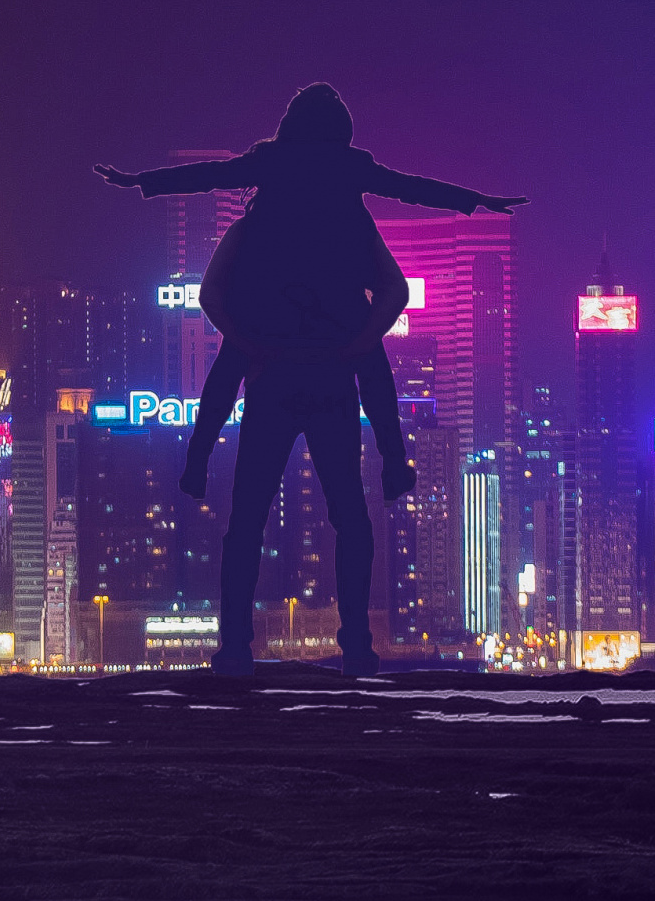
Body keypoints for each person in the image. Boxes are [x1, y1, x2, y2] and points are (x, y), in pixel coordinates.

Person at [95, 83, 527, 676]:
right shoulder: (350, 207)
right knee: (350, 516)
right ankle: (357, 644)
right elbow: (411, 192)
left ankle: (236, 648)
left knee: (245, 519)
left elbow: (209, 181)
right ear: (341, 135)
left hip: (270, 372)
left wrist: (139, 182)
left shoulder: (261, 202)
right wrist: (476, 201)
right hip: (331, 373)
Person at [177, 213, 415, 505]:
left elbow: (210, 294)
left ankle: (198, 457)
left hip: (269, 362)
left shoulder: (252, 227)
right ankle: (393, 461)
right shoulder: (347, 225)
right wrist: (362, 337)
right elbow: (395, 289)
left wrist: (241, 336)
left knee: (249, 512)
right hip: (330, 369)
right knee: (348, 511)